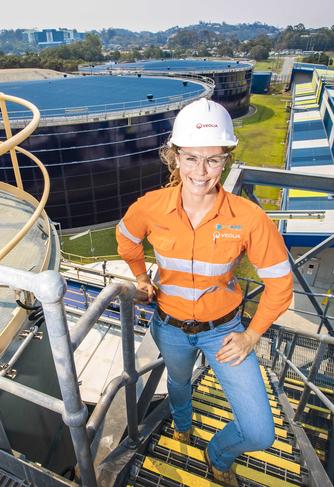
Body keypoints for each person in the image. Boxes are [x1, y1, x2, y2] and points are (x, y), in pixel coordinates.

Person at [116, 98, 293, 485]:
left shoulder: (248, 218)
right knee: (178, 383)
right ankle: (181, 423)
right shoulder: (150, 207)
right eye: (192, 158)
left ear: (226, 160)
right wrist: (141, 277)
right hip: (170, 327)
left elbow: (281, 285)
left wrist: (251, 335)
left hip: (225, 333)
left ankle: (218, 454)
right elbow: (126, 240)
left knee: (261, 432)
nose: (201, 171)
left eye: (213, 160)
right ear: (174, 156)